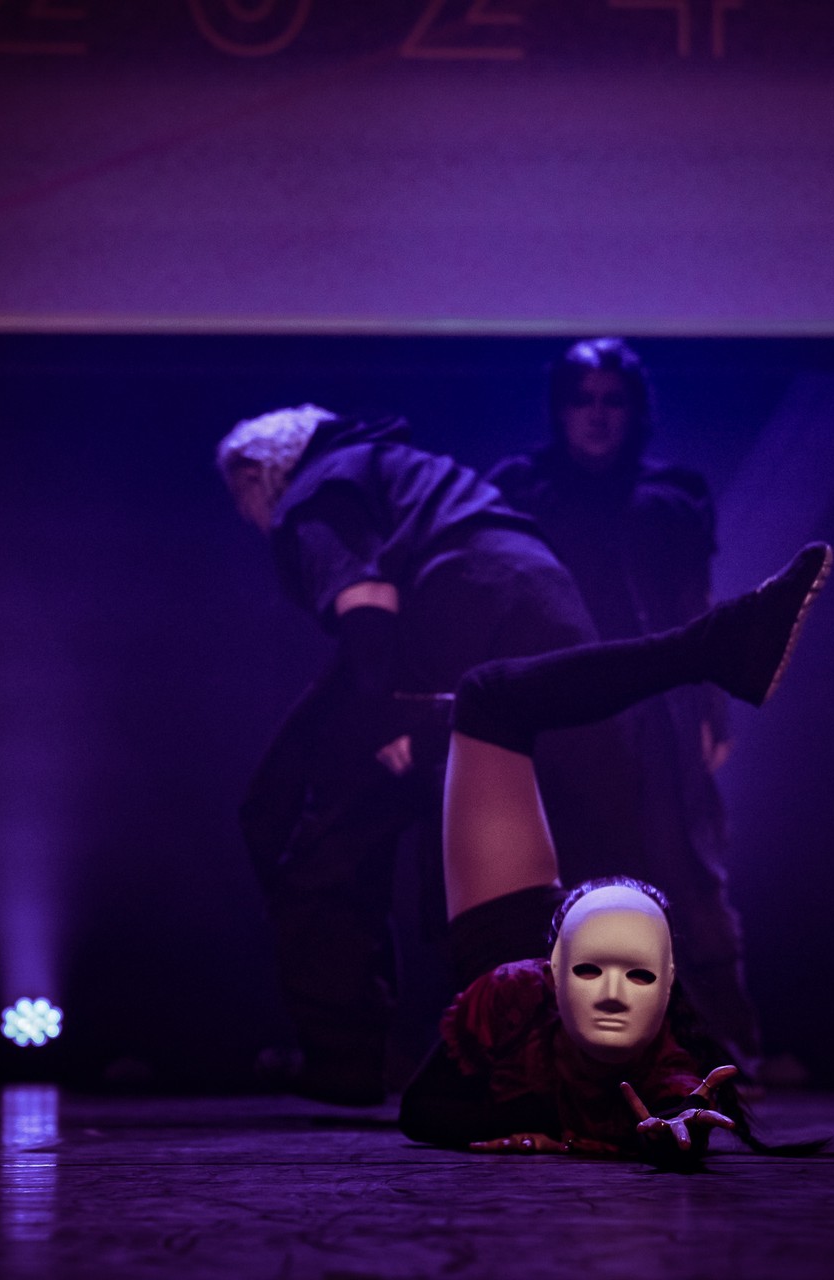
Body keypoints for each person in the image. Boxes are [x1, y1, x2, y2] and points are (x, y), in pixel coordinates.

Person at [218, 405, 648, 1105]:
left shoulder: (315, 494)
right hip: (543, 611)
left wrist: (393, 718)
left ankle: (347, 1054)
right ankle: (525, 1051)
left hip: (459, 621)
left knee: (301, 828)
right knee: (494, 845)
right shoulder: (388, 465)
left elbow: (368, 611)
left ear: (254, 475)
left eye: (239, 495)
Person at [398, 543, 832, 1162]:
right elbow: (423, 1112)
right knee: (488, 700)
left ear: (665, 985)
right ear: (552, 972)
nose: (610, 994)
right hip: (537, 945)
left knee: (487, 699)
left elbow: (681, 1106)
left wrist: (612, 1132)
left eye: (639, 978)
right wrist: (590, 1133)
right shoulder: (519, 993)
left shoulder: (642, 1047)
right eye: (589, 975)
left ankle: (719, 645)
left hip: (505, 937)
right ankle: (718, 645)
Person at [487, 338, 763, 1070]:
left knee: (684, 867)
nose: (598, 415)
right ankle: (543, 1047)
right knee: (550, 874)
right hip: (557, 708)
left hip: (658, 709)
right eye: (583, 400)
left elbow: (695, 604)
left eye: (613, 400)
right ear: (560, 409)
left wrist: (712, 710)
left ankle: (720, 1046)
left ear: (636, 410)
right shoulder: (520, 487)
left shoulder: (672, 493)